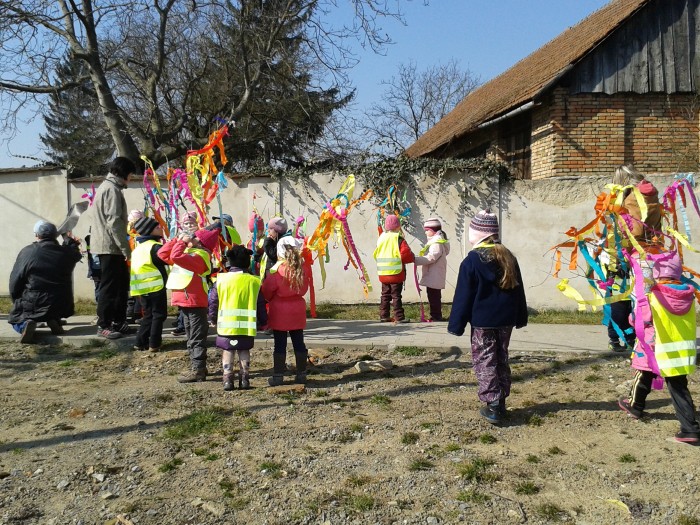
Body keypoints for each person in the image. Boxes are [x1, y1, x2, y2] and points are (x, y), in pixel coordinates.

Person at [447, 209, 528, 425]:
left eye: (471, 230)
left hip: (483, 322)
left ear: (479, 234)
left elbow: (463, 296)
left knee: (485, 359)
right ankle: (500, 400)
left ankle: (493, 404)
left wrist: (456, 325)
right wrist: (521, 317)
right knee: (501, 357)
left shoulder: (472, 261)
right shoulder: (508, 256)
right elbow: (519, 291)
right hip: (506, 320)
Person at [618, 250, 700, 444]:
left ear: (657, 272)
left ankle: (637, 407)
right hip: (680, 352)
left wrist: (634, 311)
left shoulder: (653, 296)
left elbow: (638, 319)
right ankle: (689, 428)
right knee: (678, 386)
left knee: (644, 374)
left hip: (655, 347)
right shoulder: (688, 295)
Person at [604, 164, 662, 352]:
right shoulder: (651, 196)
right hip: (649, 253)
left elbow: (634, 231)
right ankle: (627, 336)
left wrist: (618, 251)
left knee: (618, 297)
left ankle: (623, 337)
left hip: (627, 255)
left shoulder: (631, 199)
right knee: (638, 298)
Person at [158, 228, 218, 382]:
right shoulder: (189, 253)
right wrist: (177, 239)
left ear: (200, 243)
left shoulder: (200, 256)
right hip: (186, 300)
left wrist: (183, 242)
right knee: (191, 336)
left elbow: (175, 256)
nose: (191, 238)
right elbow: (162, 254)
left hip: (194, 301)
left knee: (196, 337)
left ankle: (198, 370)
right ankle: (198, 367)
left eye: (194, 237)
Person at [8, 221, 82, 344]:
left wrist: (16, 299)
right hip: (63, 304)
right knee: (49, 305)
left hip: (35, 301)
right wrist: (67, 238)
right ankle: (53, 320)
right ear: (55, 235)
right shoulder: (66, 253)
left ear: (36, 235)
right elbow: (75, 252)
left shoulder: (28, 252)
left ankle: (25, 325)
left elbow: (15, 280)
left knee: (16, 317)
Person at [91, 157, 135, 339]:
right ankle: (104, 325)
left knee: (121, 286)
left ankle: (118, 321)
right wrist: (126, 249)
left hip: (112, 246)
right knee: (109, 288)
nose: (131, 178)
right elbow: (114, 222)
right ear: (123, 173)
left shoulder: (111, 187)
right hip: (109, 247)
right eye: (130, 174)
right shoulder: (111, 190)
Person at [209, 245, 261, 390]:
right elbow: (260, 303)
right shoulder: (254, 281)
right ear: (247, 262)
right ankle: (245, 379)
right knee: (244, 350)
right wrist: (263, 321)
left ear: (230, 261)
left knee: (228, 350)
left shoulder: (220, 280)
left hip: (226, 325)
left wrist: (212, 318)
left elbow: (213, 301)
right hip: (247, 326)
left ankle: (227, 379)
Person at [261, 237, 311, 386]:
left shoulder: (276, 271)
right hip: (297, 310)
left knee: (280, 344)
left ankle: (278, 376)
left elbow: (266, 291)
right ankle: (302, 374)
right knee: (299, 342)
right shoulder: (302, 269)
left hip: (279, 311)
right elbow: (304, 289)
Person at [130, 217, 168, 352]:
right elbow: (167, 259)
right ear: (149, 231)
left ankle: (140, 342)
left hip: (141, 288)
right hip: (155, 286)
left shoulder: (138, 248)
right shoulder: (155, 247)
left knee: (148, 315)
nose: (161, 228)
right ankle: (154, 344)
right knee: (159, 315)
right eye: (157, 227)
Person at [373, 214, 415, 323]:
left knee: (385, 295)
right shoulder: (398, 239)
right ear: (398, 226)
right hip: (396, 272)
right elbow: (406, 254)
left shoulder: (381, 238)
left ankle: (384, 315)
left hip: (383, 272)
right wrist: (413, 258)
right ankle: (399, 317)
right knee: (396, 296)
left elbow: (376, 253)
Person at [414, 218, 450, 322]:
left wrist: (416, 260)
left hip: (434, 274)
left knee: (433, 296)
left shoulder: (436, 243)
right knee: (434, 295)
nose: (425, 232)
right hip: (435, 273)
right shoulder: (438, 241)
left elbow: (432, 257)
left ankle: (436, 316)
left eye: (427, 230)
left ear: (432, 230)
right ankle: (435, 315)